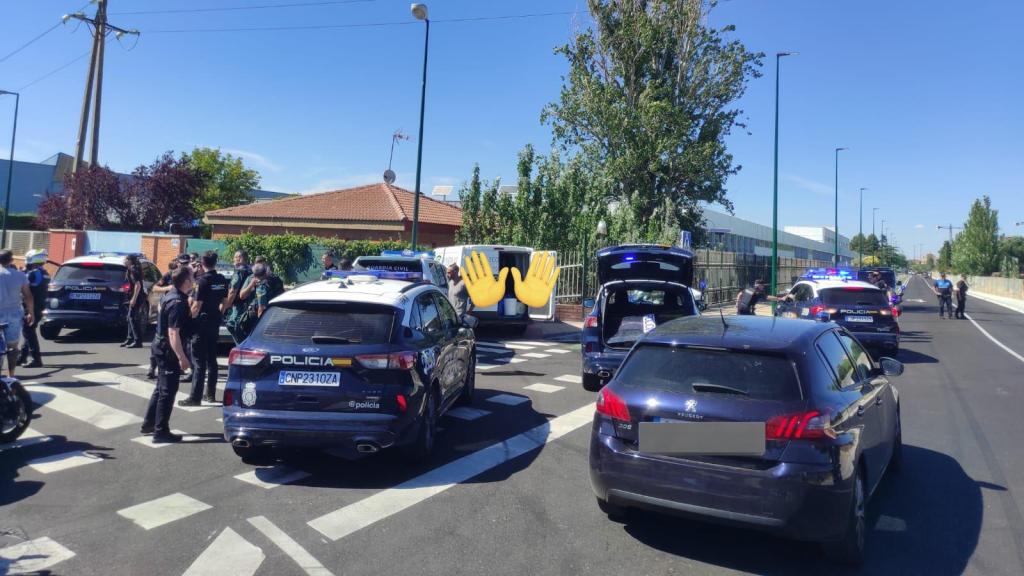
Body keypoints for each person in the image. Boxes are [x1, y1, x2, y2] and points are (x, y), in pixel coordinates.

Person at [140, 266, 193, 443]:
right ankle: (160, 431)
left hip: (160, 346)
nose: (193, 280)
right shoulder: (177, 302)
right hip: (167, 350)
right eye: (191, 278)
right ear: (185, 281)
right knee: (168, 391)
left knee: (160, 388)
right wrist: (182, 357)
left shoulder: (172, 296)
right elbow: (173, 333)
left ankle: (149, 423)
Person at [180, 251, 228, 407]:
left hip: (201, 323)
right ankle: (210, 394)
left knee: (199, 362)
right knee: (212, 359)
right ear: (215, 262)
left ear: (202, 263)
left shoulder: (201, 281)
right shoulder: (221, 279)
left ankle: (195, 397)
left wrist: (189, 320)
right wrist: (218, 313)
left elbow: (196, 305)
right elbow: (225, 301)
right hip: (214, 322)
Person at [0, 250, 34, 378]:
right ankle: (11, 374)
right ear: (11, 260)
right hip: (14, 312)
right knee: (12, 347)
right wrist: (31, 313)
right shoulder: (20, 276)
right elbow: (28, 296)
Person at [146, 260, 179, 380]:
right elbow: (155, 288)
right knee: (159, 339)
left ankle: (176, 366)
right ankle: (152, 367)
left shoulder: (189, 274)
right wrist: (168, 287)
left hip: (179, 311)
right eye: (180, 262)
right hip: (166, 308)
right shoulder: (168, 274)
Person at [19, 249, 49, 368]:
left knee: (28, 332)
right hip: (39, 305)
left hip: (31, 306)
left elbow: (23, 286)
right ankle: (22, 357)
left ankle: (36, 359)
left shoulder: (34, 273)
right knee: (28, 332)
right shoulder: (44, 272)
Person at [221, 250, 253, 344]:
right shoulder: (251, 271)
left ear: (240, 258)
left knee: (233, 325)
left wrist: (227, 305)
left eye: (235, 257)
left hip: (239, 306)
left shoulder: (239, 272)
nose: (233, 259)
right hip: (249, 306)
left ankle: (241, 348)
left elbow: (232, 291)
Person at [122, 254, 147, 348]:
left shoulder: (133, 270)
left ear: (130, 260)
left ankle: (138, 341)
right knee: (129, 318)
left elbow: (138, 285)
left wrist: (134, 299)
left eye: (125, 259)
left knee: (132, 318)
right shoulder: (129, 269)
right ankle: (129, 339)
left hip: (137, 297)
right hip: (131, 296)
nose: (124, 260)